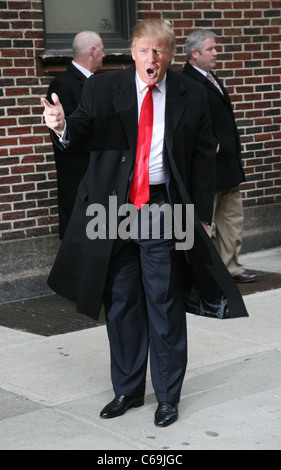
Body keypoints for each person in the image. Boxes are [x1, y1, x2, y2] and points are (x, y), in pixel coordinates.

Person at [42, 19, 248, 428]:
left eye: (159, 51)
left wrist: (201, 217)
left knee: (164, 300)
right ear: (131, 52)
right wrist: (62, 125)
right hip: (114, 210)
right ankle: (128, 390)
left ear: (169, 55)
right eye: (143, 50)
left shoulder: (191, 94)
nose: (150, 58)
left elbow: (204, 157)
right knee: (121, 302)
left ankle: (167, 396)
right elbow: (80, 129)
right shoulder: (103, 88)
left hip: (161, 208)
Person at [183, 30, 257, 283]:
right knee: (206, 225)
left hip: (227, 167)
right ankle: (207, 273)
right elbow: (185, 124)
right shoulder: (186, 83)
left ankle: (231, 267)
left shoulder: (210, 78)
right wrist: (206, 144)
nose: (216, 53)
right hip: (208, 169)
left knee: (232, 221)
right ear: (194, 54)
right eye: (210, 49)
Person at [47, 31, 105, 239]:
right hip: (80, 178)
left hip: (103, 177)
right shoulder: (62, 85)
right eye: (102, 49)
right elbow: (67, 135)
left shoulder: (101, 83)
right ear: (93, 51)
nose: (104, 55)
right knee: (80, 242)